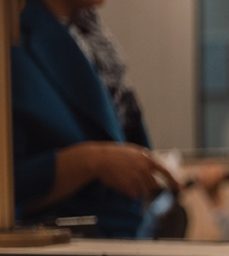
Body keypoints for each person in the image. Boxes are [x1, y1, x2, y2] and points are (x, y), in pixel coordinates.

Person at [12, 0, 174, 238]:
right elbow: (10, 186)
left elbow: (127, 136)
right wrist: (91, 161)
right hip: (63, 250)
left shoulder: (95, 40)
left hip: (126, 239)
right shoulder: (15, 40)